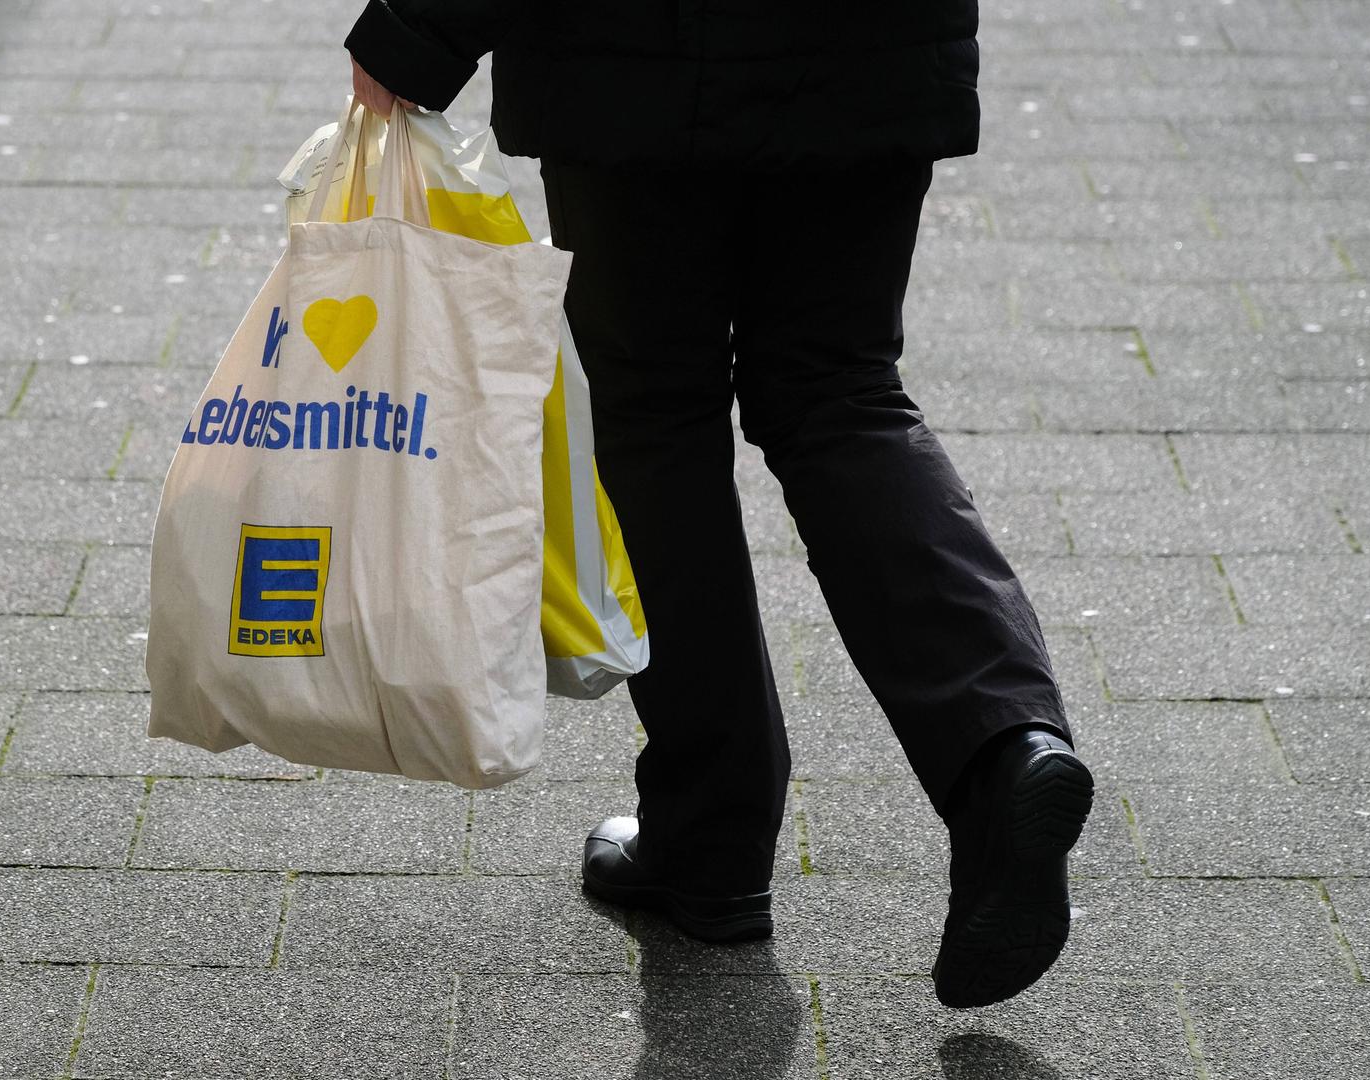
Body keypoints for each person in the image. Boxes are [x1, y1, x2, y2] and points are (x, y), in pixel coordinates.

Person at [343, 0, 1092, 1009]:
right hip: (868, 47)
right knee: (840, 394)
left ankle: (712, 842)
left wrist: (418, 30)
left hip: (636, 59)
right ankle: (1005, 749)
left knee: (654, 416)